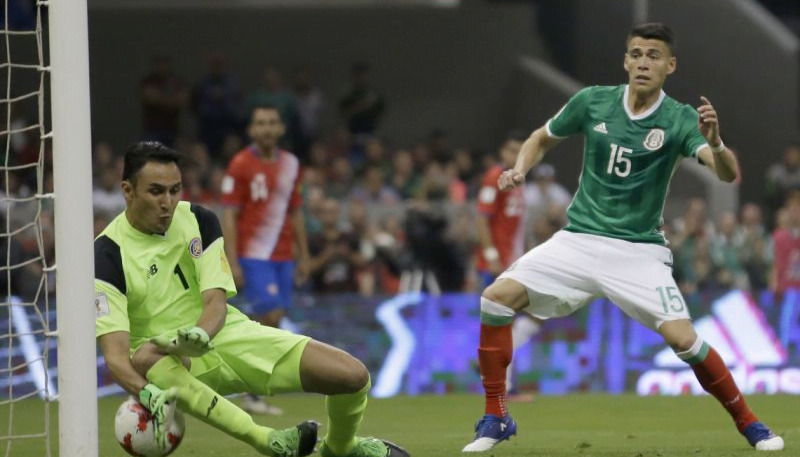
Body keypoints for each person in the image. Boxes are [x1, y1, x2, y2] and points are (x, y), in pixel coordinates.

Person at [462, 23, 784, 453]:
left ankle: (750, 424)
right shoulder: (593, 101)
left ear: (670, 65)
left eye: (653, 55)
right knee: (496, 298)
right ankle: (497, 417)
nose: (643, 62)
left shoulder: (680, 118)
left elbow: (726, 173)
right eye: (636, 54)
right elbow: (541, 138)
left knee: (684, 341)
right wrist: (521, 168)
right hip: (577, 239)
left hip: (637, 251)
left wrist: (717, 142)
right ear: (626, 61)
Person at [95, 141, 409, 457]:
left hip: (225, 336)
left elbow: (215, 302)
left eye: (175, 190)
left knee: (352, 376)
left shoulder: (199, 219)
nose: (168, 202)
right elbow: (117, 357)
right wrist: (147, 394)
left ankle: (339, 450)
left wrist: (201, 334)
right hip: (173, 366)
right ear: (128, 190)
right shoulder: (107, 253)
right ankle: (269, 441)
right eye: (156, 192)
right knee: (145, 356)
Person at [221, 103, 310, 415]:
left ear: (281, 128)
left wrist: (305, 255)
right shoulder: (240, 164)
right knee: (271, 317)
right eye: (261, 123)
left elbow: (296, 211)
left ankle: (246, 380)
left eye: (272, 122)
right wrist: (231, 260)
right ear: (252, 129)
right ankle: (248, 387)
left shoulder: (291, 164)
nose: (267, 128)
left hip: (284, 255)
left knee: (273, 322)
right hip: (254, 254)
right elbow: (229, 215)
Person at [475, 131, 540, 400]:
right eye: (512, 151)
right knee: (506, 322)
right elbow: (481, 218)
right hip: (498, 264)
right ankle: (504, 386)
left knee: (534, 315)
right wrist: (491, 256)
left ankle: (491, 365)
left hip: (515, 262)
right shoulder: (494, 177)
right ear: (503, 152)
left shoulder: (519, 182)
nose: (515, 156)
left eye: (520, 150)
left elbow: (518, 227)